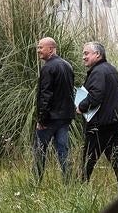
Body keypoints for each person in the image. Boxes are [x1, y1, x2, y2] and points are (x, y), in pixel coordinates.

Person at [76, 41, 118, 191]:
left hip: (100, 123)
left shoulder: (98, 72)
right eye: (83, 53)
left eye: (86, 53)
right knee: (116, 157)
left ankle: (79, 189)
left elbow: (96, 96)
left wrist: (81, 106)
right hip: (114, 121)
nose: (83, 57)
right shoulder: (111, 69)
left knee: (88, 158)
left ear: (97, 54)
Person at [33, 37, 75, 183]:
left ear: (50, 49)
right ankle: (68, 182)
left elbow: (46, 95)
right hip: (65, 117)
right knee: (63, 151)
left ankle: (36, 182)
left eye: (40, 47)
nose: (38, 50)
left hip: (50, 119)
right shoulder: (67, 65)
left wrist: (41, 119)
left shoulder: (48, 67)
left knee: (39, 151)